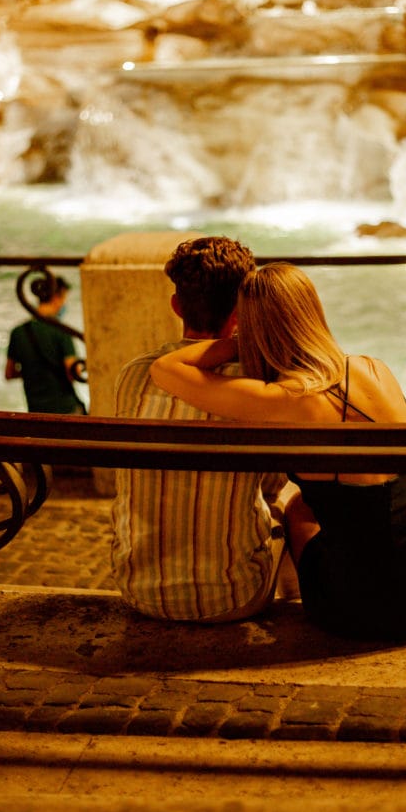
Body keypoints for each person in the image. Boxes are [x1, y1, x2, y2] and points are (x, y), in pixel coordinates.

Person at [150, 262, 406, 641]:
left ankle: (305, 599)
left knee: (295, 512)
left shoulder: (282, 400)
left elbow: (165, 369)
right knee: (311, 503)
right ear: (312, 313)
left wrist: (237, 343)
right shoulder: (373, 368)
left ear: (251, 325)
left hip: (376, 607)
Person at [111, 236, 290, 623]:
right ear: (242, 312)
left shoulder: (132, 375)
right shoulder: (256, 383)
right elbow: (273, 484)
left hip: (138, 591)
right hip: (234, 597)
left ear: (176, 304)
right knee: (288, 507)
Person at [5, 275, 86, 414]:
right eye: (63, 299)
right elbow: (72, 372)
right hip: (65, 410)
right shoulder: (61, 331)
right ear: (56, 298)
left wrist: (32, 370)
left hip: (36, 411)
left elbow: (9, 373)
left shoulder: (18, 332)